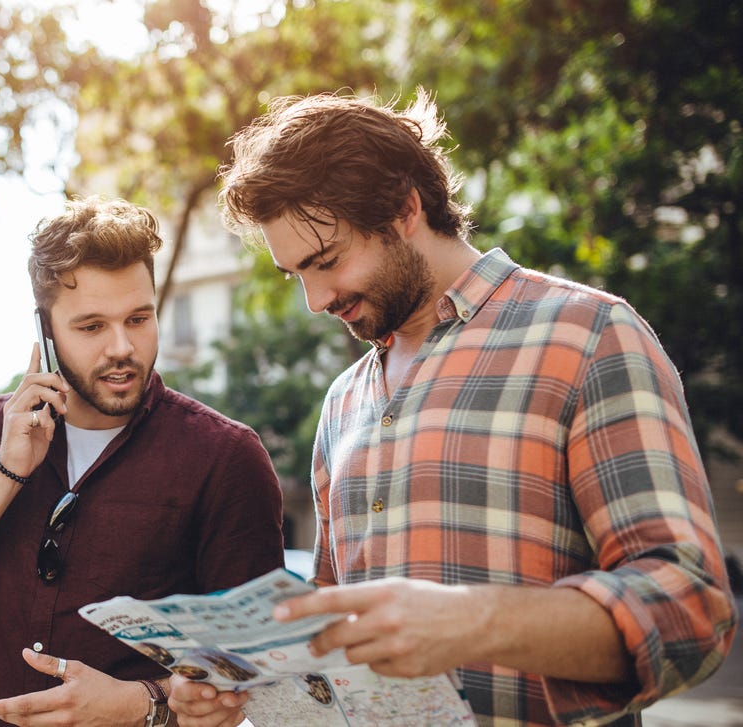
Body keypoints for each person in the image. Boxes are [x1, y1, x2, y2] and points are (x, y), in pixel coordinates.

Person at [169, 91, 738, 726]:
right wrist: (243, 683)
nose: (314, 298)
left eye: (327, 262)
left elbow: (690, 610)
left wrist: (470, 621)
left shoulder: (589, 336)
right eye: (294, 273)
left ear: (405, 209)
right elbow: (335, 637)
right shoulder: (342, 402)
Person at [0, 196, 286, 727]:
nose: (122, 347)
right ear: (45, 332)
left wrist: (141, 703)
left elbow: (253, 665)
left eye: (139, 318)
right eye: (91, 327)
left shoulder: (225, 457)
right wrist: (6, 471)